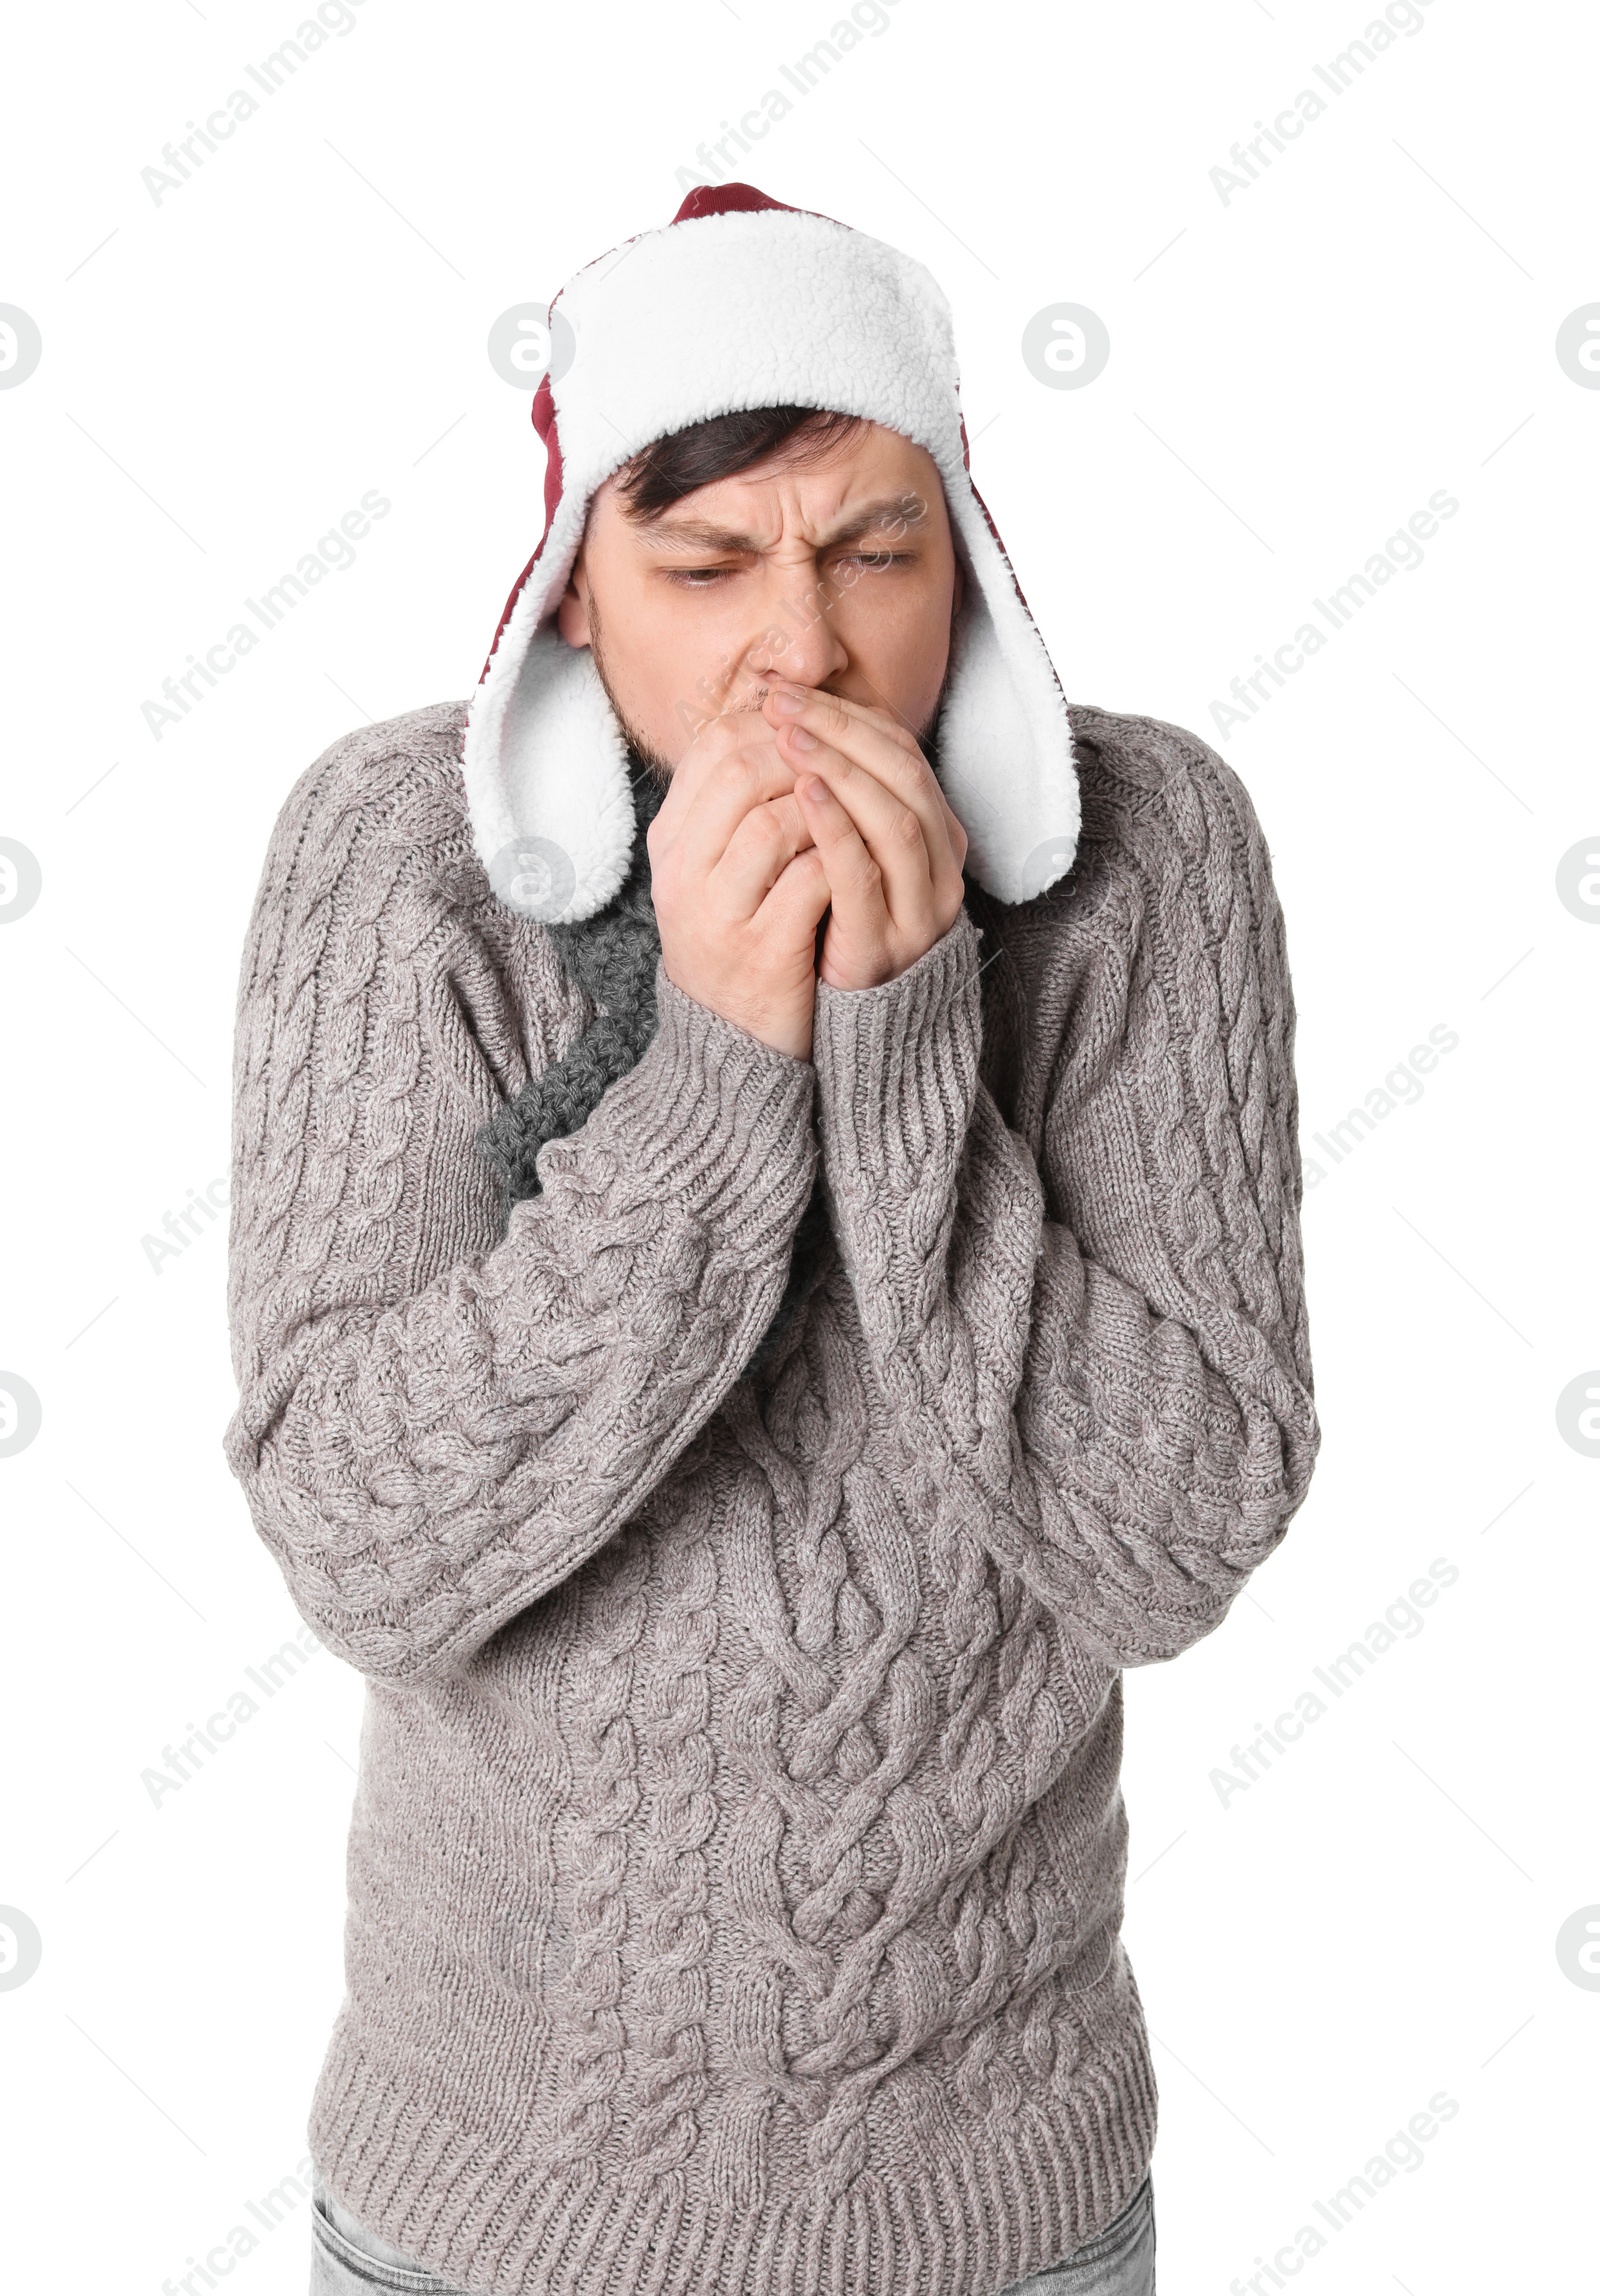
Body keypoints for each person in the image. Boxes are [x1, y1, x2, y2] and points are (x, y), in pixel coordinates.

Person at [222, 182, 1321, 2296]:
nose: (798, 648)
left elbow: (1172, 1536)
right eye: (704, 562)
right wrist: (720, 1069)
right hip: (485, 2214)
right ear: (564, 593)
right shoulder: (400, 868)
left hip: (1001, 2207)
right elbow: (361, 1543)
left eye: (875, 551)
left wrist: (905, 1061)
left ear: (973, 568)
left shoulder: (1144, 861)